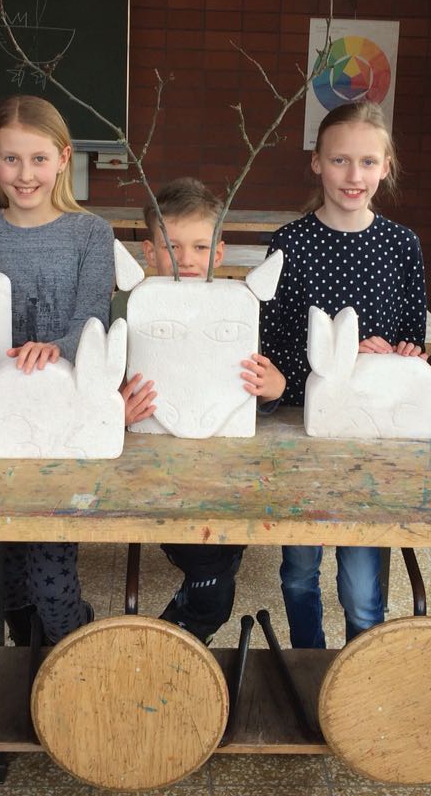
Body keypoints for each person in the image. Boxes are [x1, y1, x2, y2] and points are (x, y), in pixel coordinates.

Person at [259, 101, 428, 648]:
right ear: (317, 163)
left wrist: (397, 355)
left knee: (361, 586)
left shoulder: (401, 245)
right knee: (298, 570)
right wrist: (325, 364)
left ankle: (362, 673)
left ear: (386, 167)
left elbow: (413, 342)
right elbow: (271, 341)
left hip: (371, 437)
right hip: (302, 431)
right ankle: (308, 663)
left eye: (368, 162)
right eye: (339, 160)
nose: (354, 176)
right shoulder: (289, 243)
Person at [0, 94, 114, 645]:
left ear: (64, 158)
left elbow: (92, 319)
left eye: (39, 159)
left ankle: (70, 660)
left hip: (60, 424)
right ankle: (29, 658)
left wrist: (53, 349)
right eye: (11, 159)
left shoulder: (90, 232)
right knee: (5, 582)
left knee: (51, 577)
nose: (25, 174)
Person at [116, 176, 285, 643]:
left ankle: (174, 638)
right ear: (149, 253)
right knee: (210, 573)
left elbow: (254, 387)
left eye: (199, 247)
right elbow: (109, 382)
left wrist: (273, 389)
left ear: (219, 252)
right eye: (172, 247)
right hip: (155, 470)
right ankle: (175, 639)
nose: (186, 259)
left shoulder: (238, 309)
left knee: (220, 555)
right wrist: (116, 408)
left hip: (225, 470)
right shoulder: (131, 307)